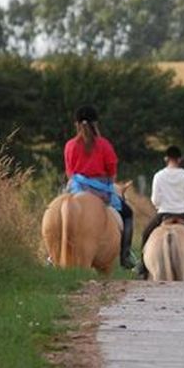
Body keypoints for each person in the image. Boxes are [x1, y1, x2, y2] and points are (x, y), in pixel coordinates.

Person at [64, 105, 136, 269]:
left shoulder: (70, 145)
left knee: (57, 208)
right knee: (128, 214)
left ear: (76, 124)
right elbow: (112, 171)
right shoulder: (104, 145)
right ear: (95, 124)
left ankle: (51, 255)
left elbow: (69, 172)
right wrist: (106, 184)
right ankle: (125, 256)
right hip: (101, 191)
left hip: (76, 188)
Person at [134, 146, 184, 280]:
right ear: (180, 159)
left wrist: (160, 206)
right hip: (183, 214)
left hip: (163, 214)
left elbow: (155, 199)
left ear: (166, 158)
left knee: (145, 234)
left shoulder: (158, 176)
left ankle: (142, 267)